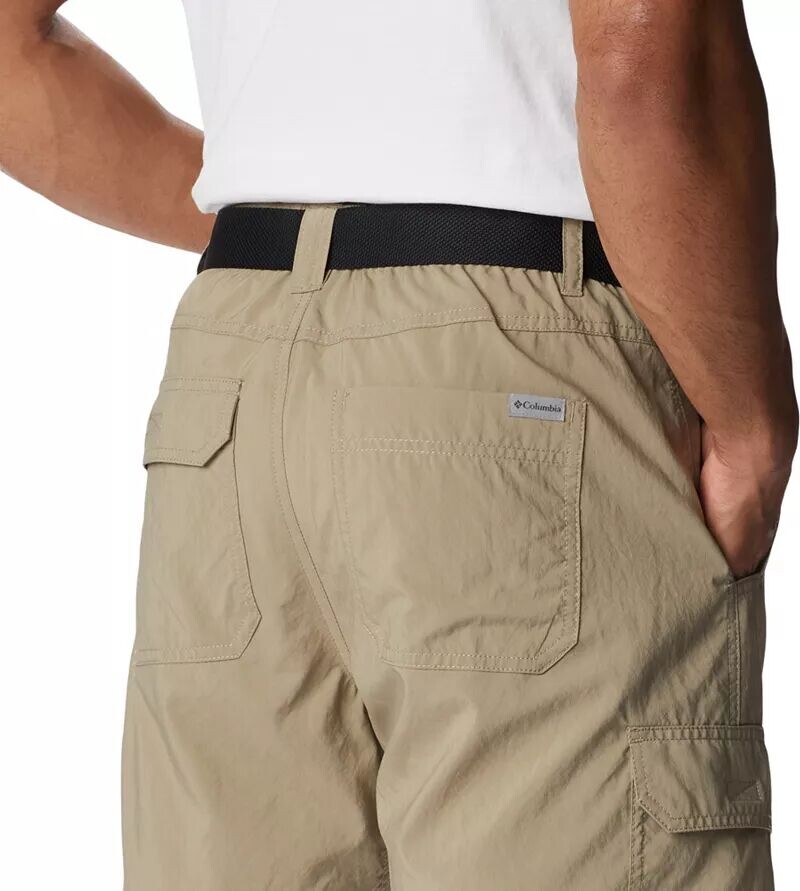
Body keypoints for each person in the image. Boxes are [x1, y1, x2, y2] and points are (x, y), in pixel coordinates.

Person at [2, 1, 796, 888]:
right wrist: (752, 422)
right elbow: (637, 54)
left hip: (231, 383)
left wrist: (291, 204)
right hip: (513, 370)